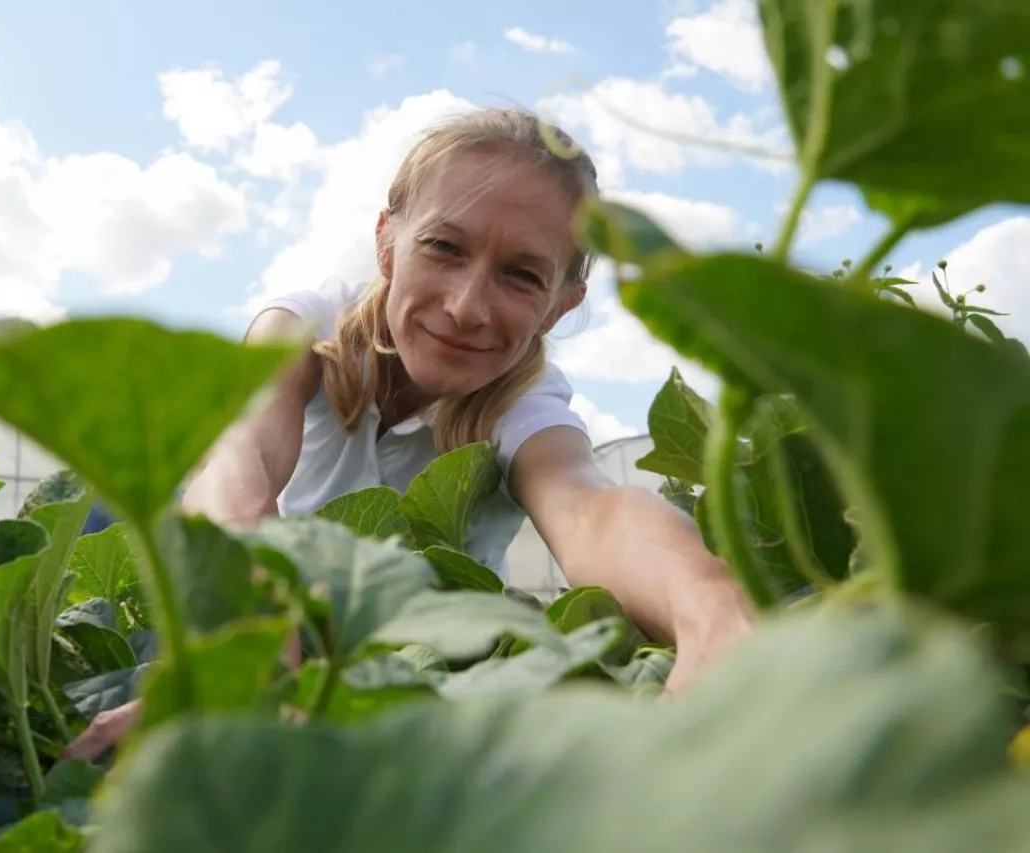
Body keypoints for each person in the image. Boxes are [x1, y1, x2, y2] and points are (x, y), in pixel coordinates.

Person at [60, 106, 755, 761]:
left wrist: (711, 609)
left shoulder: (526, 402)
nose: (466, 307)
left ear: (561, 304)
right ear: (386, 242)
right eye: (444, 248)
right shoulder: (305, 326)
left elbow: (589, 507)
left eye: (521, 275)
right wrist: (245, 647)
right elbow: (238, 459)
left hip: (424, 678)